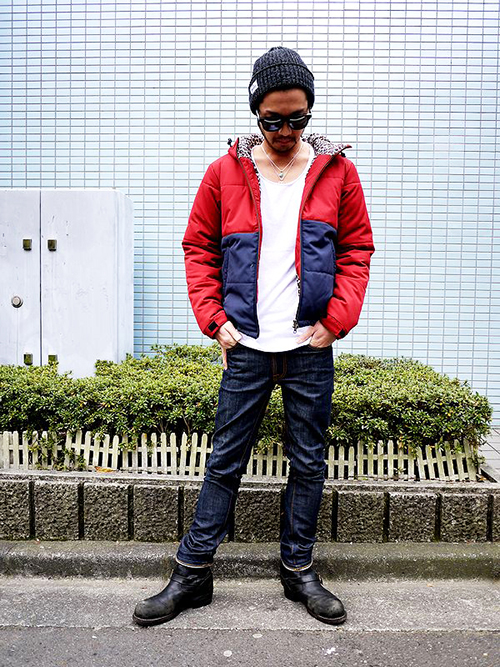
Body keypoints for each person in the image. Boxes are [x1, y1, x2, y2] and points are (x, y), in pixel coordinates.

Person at [133, 46, 374, 628]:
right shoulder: (225, 172)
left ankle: (298, 571)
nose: (286, 132)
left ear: (309, 113)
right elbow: (198, 248)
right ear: (255, 113)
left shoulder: (337, 172)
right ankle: (192, 574)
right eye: (273, 120)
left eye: (298, 119)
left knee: (308, 462)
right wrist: (214, 319)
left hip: (309, 346)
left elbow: (356, 250)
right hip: (245, 346)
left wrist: (335, 320)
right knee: (224, 461)